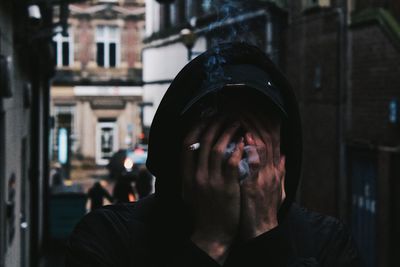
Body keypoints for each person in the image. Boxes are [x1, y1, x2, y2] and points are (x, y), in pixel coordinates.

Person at [66, 42, 360, 266]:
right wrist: (210, 240)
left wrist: (265, 233)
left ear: (282, 150)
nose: (239, 151)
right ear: (182, 144)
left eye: (256, 127)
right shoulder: (110, 238)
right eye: (220, 130)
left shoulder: (326, 243)